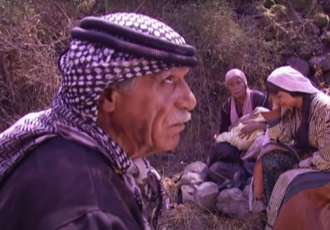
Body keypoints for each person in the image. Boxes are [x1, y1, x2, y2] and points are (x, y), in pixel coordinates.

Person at [0, 13, 197, 230]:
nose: (190, 100)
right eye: (168, 80)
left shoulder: (58, 146)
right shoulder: (91, 214)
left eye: (183, 79)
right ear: (108, 97)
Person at [251, 66, 330, 230]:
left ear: (292, 88)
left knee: (294, 183)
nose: (277, 100)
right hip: (312, 160)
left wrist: (301, 166)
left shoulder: (327, 109)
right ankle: (272, 214)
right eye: (274, 97)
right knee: (269, 155)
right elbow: (278, 137)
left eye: (279, 96)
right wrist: (274, 108)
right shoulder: (292, 110)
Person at [207, 69, 270, 167]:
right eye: (231, 84)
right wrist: (243, 120)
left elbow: (275, 123)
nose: (235, 87)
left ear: (245, 83)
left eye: (238, 83)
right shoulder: (227, 107)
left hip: (257, 140)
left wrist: (256, 125)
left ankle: (245, 162)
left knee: (262, 144)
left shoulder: (259, 99)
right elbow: (224, 130)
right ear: (228, 87)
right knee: (222, 150)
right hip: (237, 143)